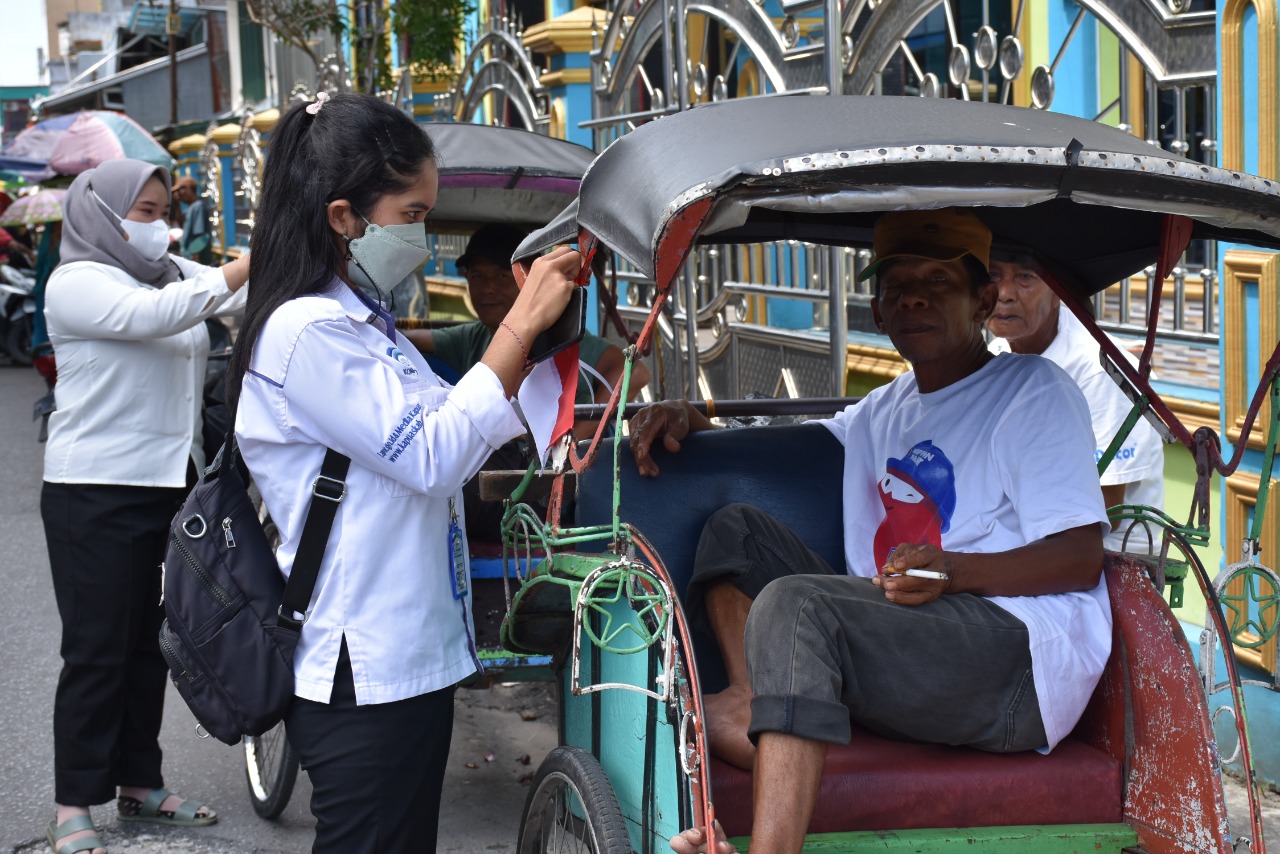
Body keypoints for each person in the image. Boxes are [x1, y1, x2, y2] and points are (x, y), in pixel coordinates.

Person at [627, 209, 1112, 854]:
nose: (914, 296)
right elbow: (787, 452)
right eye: (897, 284)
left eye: (939, 280)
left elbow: (1080, 557)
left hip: (1015, 660)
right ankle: (755, 703)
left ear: (984, 299)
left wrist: (952, 571)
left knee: (797, 604)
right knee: (736, 531)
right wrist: (695, 419)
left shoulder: (1033, 391)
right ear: (880, 313)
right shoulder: (884, 407)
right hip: (909, 639)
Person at [226, 91, 582, 853]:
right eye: (412, 216)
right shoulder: (307, 332)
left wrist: (543, 347)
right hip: (364, 666)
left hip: (408, 654)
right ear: (343, 217)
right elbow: (433, 455)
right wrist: (517, 326)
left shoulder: (363, 322)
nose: (421, 237)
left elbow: (459, 425)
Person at [41, 158, 250, 854]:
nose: (158, 226)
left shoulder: (172, 273)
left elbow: (237, 303)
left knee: (148, 648)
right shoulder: (77, 284)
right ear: (103, 214)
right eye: (144, 211)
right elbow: (151, 317)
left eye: (164, 211)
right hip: (91, 491)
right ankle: (74, 806)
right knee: (97, 650)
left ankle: (140, 785)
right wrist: (244, 267)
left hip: (169, 486)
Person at [401, 223, 650, 539]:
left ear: (528, 283)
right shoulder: (472, 337)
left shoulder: (559, 337)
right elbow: (402, 338)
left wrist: (576, 434)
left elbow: (635, 371)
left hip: (550, 480)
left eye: (501, 277)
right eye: (477, 277)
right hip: (500, 473)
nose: (488, 289)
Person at [985, 251, 1165, 553]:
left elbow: (1106, 508)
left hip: (1107, 556)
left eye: (1025, 278)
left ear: (1058, 290)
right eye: (993, 276)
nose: (1004, 295)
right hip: (1024, 537)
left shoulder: (1100, 370)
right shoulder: (999, 348)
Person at [171, 176, 212, 265]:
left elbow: (200, 236)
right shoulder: (190, 208)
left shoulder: (198, 207)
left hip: (196, 261)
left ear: (190, 189)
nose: (180, 194)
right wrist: (177, 203)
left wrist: (195, 260)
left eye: (182, 190)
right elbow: (182, 225)